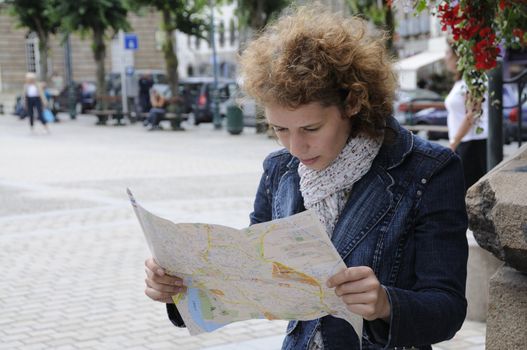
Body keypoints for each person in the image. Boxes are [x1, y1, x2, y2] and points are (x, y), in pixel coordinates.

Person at [144, 6, 469, 349]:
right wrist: (180, 288)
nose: (296, 147)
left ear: (354, 102)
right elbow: (251, 283)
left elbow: (447, 308)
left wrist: (386, 304)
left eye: (311, 128)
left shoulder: (427, 170)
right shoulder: (279, 171)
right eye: (279, 129)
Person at [444, 43, 488, 190]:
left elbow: (473, 112)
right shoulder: (460, 82)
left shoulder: (471, 80)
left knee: (470, 192)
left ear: (458, 57)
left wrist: (453, 143)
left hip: (473, 143)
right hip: (464, 143)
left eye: (448, 54)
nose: (446, 58)